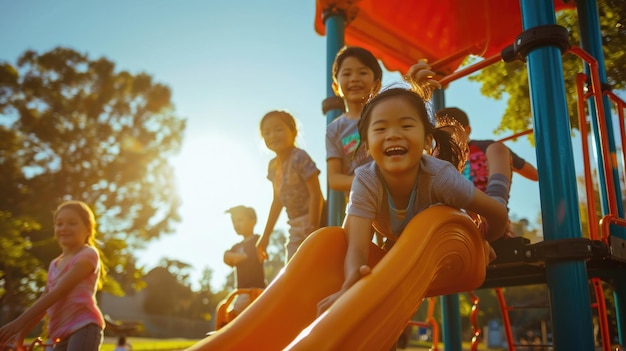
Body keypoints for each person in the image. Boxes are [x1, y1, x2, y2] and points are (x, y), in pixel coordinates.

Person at [317, 87, 509, 315]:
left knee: (491, 185)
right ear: (367, 144)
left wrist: (483, 238)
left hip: (448, 234)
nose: (393, 134)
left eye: (406, 126)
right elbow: (357, 248)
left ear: (428, 141)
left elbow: (497, 213)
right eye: (380, 128)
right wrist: (350, 281)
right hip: (398, 236)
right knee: (344, 233)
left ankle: (500, 164)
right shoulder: (366, 180)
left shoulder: (441, 177)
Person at [326, 46, 441, 194]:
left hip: (405, 189)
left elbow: (410, 109)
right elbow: (334, 179)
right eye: (347, 73)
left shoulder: (389, 112)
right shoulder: (334, 129)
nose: (354, 78)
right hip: (365, 198)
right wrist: (376, 180)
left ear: (377, 84)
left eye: (362, 72)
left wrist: (417, 91)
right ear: (336, 87)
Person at [0, 200, 106, 351]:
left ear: (88, 229)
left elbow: (59, 291)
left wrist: (18, 323)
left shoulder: (88, 254)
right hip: (62, 334)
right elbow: (45, 300)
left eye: (72, 223)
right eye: (59, 223)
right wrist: (21, 333)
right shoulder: (54, 264)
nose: (64, 228)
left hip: (85, 326)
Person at [256, 110, 325, 264]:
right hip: (295, 225)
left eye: (279, 129)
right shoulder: (273, 166)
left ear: (293, 132)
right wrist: (265, 236)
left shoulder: (299, 157)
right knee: (292, 266)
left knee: (314, 265)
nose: (273, 135)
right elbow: (277, 201)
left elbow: (316, 194)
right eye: (267, 132)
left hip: (315, 220)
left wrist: (313, 228)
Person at [435, 107, 539, 205]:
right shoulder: (436, 159)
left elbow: (534, 174)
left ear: (467, 130)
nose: (444, 141)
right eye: (439, 137)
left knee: (497, 150)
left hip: (488, 209)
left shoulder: (488, 147)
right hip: (454, 215)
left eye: (448, 134)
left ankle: (496, 205)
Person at [223, 205, 265, 316]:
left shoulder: (257, 241)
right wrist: (235, 257)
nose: (236, 224)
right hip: (241, 291)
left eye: (240, 220)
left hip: (253, 291)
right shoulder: (236, 246)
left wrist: (235, 257)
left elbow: (240, 257)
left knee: (234, 315)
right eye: (234, 221)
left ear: (253, 221)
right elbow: (226, 257)